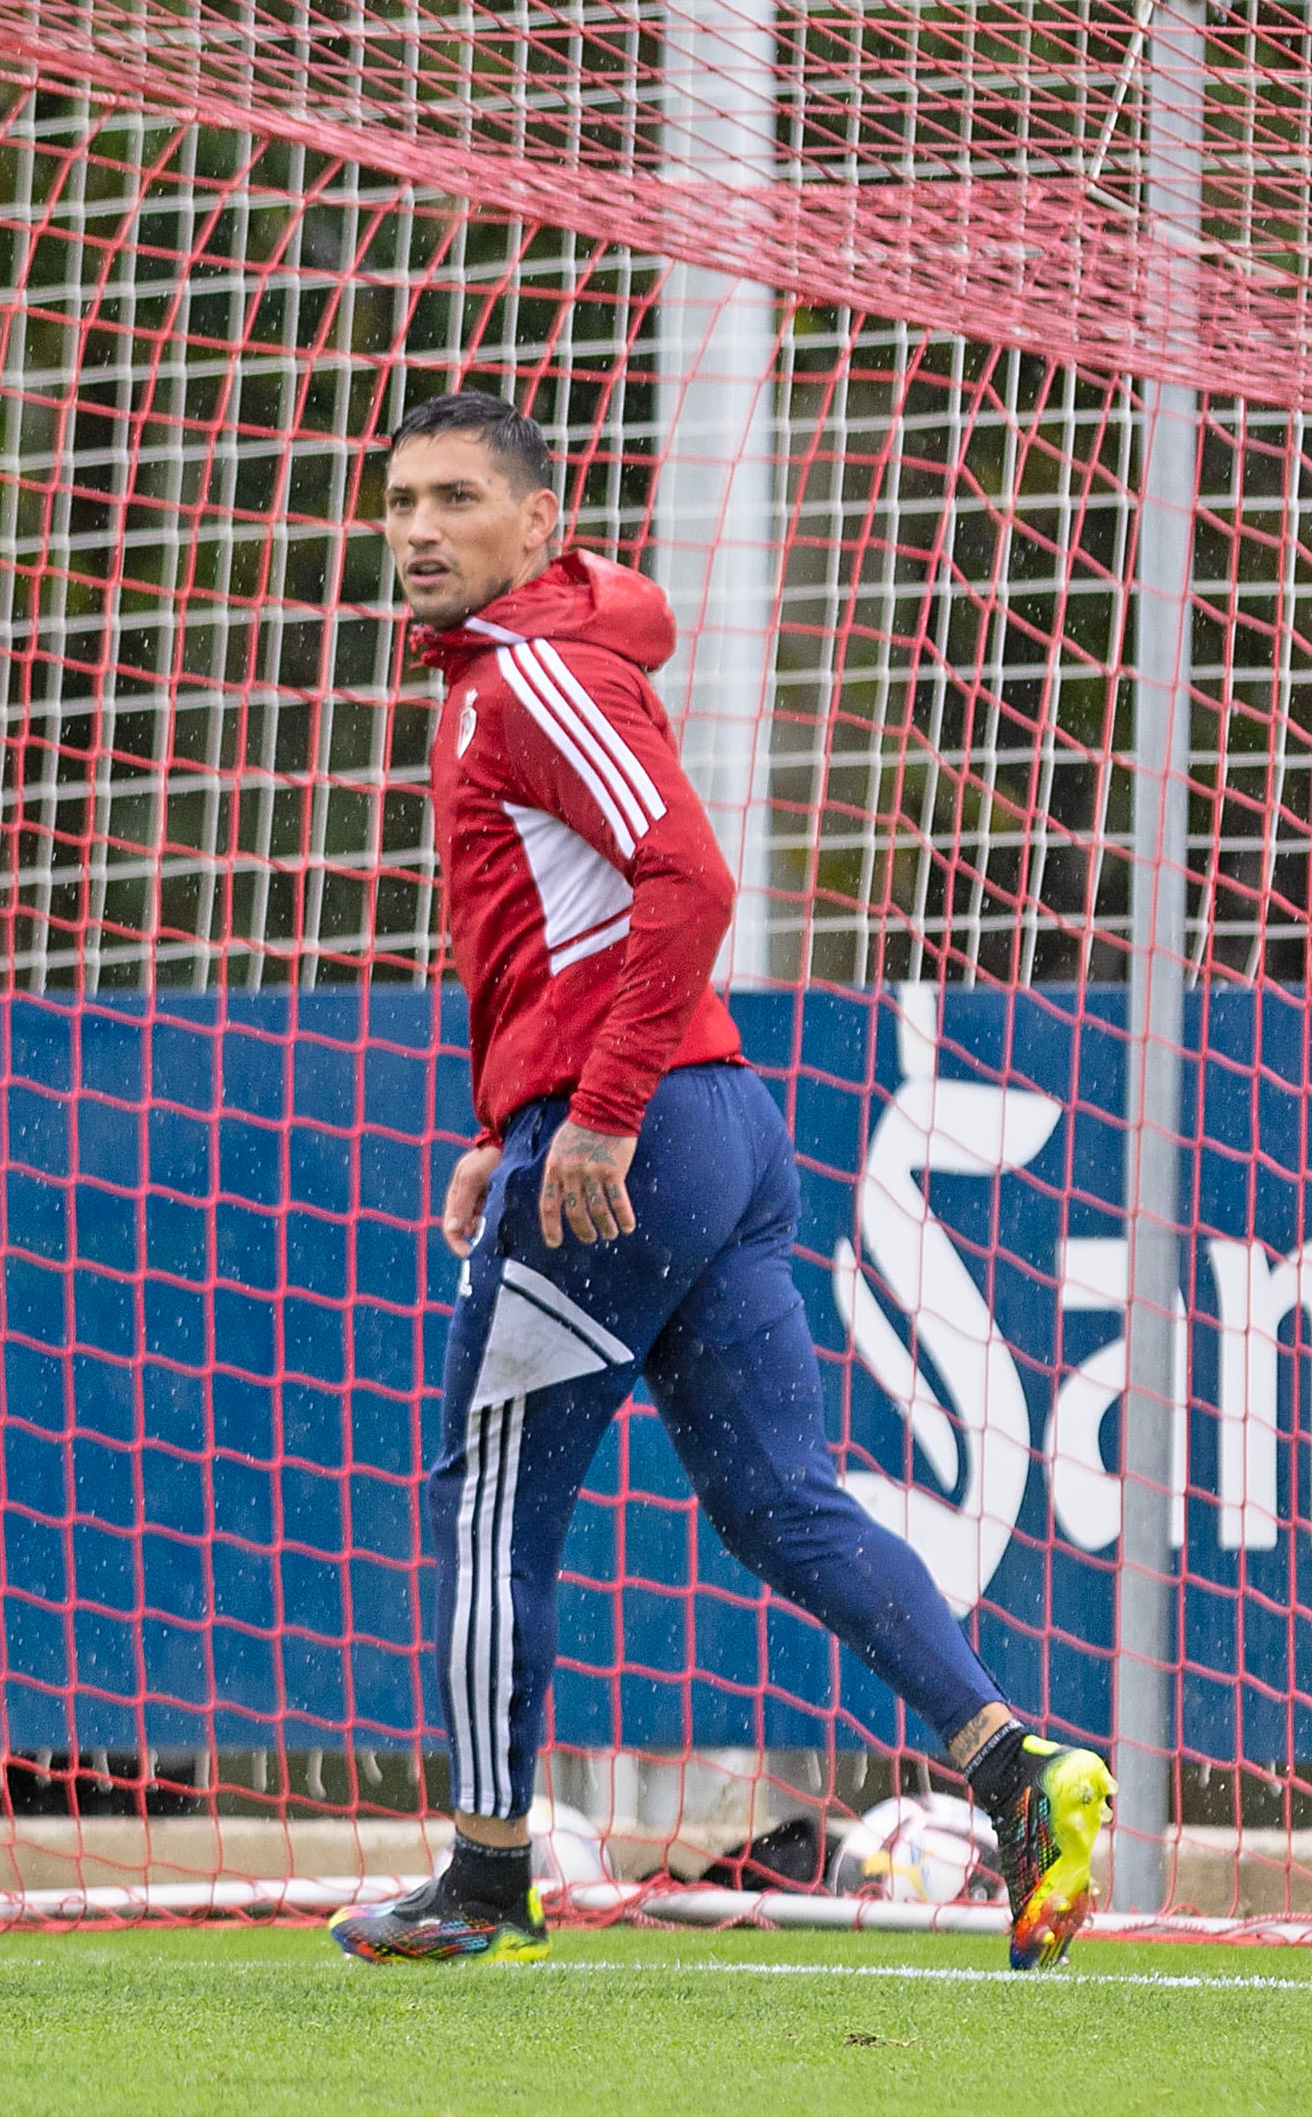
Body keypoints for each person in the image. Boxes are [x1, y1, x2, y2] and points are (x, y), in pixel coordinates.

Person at [327, 391, 1115, 1972]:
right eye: (400, 498)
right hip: (708, 1118)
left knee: (487, 1508)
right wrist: (509, 1118)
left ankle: (485, 1880)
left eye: (456, 499)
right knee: (778, 1507)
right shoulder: (535, 663)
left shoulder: (527, 678)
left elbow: (685, 876)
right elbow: (574, 925)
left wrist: (591, 1115)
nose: (416, 528)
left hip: (636, 1135)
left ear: (537, 525)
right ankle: (1017, 1772)